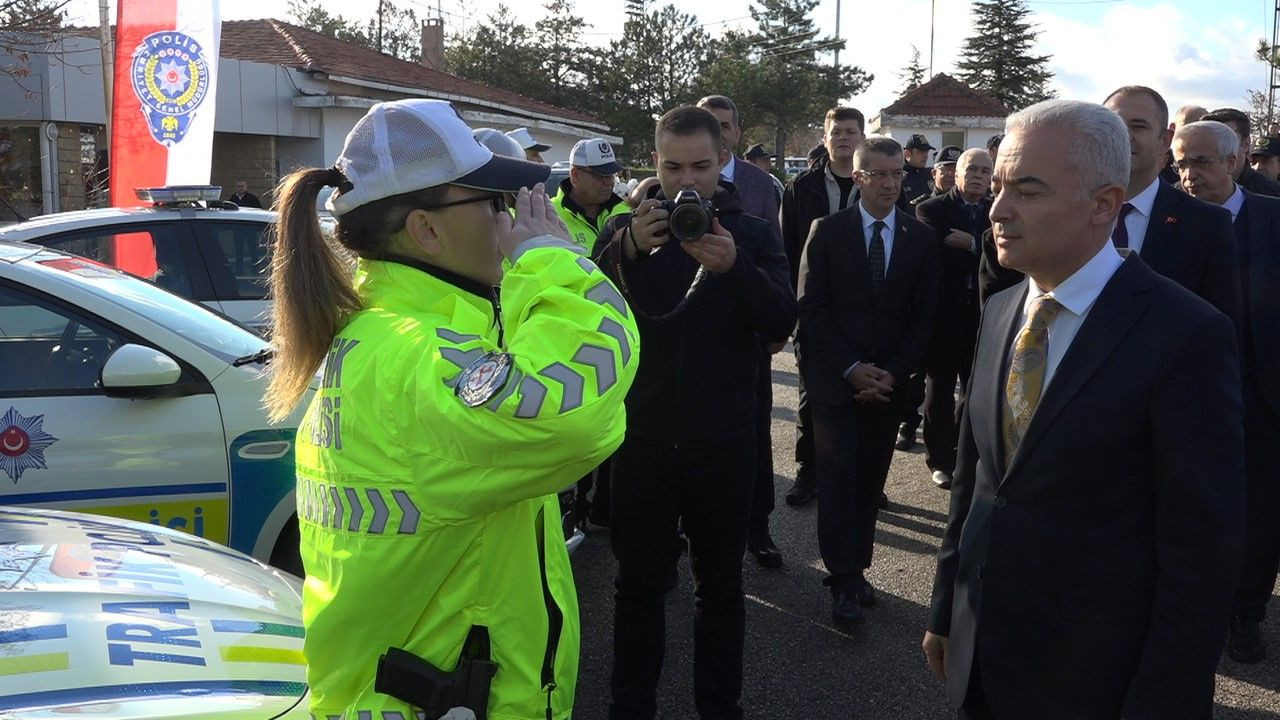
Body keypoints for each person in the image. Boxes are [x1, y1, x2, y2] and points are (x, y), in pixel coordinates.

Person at [263, 98, 639, 720]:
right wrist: (550, 261)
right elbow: (573, 414)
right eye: (491, 200)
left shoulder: (384, 332)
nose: (510, 215)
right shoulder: (418, 354)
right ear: (426, 229)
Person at [924, 99, 1245, 719]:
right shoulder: (1001, 310)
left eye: (1028, 191)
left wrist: (1164, 699)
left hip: (1097, 680)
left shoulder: (1185, 335)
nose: (998, 211)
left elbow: (1200, 553)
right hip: (982, 657)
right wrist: (945, 608)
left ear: (1103, 204)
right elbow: (975, 483)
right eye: (996, 188)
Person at [595, 105, 796, 720]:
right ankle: (630, 708)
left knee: (721, 590)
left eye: (702, 167)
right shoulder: (625, 232)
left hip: (724, 443)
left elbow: (782, 321)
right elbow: (583, 312)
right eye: (673, 165)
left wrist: (734, 269)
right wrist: (628, 247)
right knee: (638, 590)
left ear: (722, 161)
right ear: (653, 163)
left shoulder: (754, 234)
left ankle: (719, 707)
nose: (688, 182)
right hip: (644, 444)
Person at [797, 135, 938, 629]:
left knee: (870, 478)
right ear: (857, 177)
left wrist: (892, 372)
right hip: (838, 381)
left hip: (889, 382)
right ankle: (842, 579)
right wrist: (851, 369)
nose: (891, 183)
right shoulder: (828, 231)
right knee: (837, 479)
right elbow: (811, 310)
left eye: (898, 173)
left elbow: (925, 315)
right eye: (879, 174)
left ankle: (858, 568)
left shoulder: (919, 236)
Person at [1172, 119, 1280, 665]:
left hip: (1263, 394)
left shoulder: (1273, 218)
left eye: (1201, 162)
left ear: (1234, 162)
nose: (1189, 175)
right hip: (1185, 392)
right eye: (1182, 163)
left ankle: (1247, 612)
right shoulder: (1166, 221)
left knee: (1261, 511)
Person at [697, 93, 787, 568]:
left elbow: (774, 246)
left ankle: (758, 527)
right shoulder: (665, 187)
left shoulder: (759, 183)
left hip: (748, 325)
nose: (718, 129)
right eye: (707, 122)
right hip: (692, 330)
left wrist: (772, 310)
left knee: (755, 432)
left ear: (735, 131)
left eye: (725, 124)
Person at [780, 106, 865, 507]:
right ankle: (807, 472)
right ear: (826, 138)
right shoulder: (801, 189)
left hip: (864, 308)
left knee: (862, 395)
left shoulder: (875, 184)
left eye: (851, 131)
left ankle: (864, 477)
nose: (844, 138)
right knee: (811, 393)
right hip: (814, 305)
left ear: (861, 137)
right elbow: (787, 249)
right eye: (837, 132)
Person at [1101, 86, 1241, 323]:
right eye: (1113, 125)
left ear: (1165, 140)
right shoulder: (1068, 213)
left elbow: (1221, 324)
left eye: (1138, 126)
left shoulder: (1207, 224)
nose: (1124, 134)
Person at [914, 149, 993, 490]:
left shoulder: (997, 210)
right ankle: (940, 460)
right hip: (944, 314)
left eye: (984, 171)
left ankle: (963, 453)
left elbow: (1010, 259)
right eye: (971, 169)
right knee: (940, 387)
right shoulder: (930, 209)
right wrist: (986, 252)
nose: (977, 176)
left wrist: (973, 244)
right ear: (955, 174)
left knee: (976, 388)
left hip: (985, 314)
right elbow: (935, 254)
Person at [551, 138, 630, 255]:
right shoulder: (549, 215)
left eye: (611, 175)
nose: (608, 182)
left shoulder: (623, 210)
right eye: (600, 175)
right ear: (575, 175)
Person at [1202, 107, 1280, 197]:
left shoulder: (1274, 196)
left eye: (1225, 140)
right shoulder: (1189, 189)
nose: (1216, 148)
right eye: (1208, 141)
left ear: (1246, 144)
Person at [901, 133, 936, 208]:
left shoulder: (932, 174)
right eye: (921, 151)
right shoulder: (898, 177)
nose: (925, 155)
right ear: (908, 154)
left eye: (927, 151)